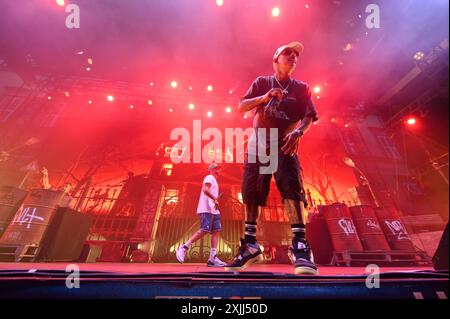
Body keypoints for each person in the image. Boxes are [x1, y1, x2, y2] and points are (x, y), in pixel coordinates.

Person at [225, 42, 319, 275]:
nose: (294, 57)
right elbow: (241, 106)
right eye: (288, 54)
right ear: (276, 59)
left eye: (296, 55)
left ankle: (299, 246)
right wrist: (264, 98)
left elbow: (309, 116)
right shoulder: (262, 83)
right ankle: (250, 246)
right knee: (251, 190)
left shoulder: (302, 88)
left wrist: (298, 132)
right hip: (258, 144)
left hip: (285, 143)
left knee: (292, 188)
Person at [176, 163, 226, 267]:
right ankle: (184, 247)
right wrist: (215, 198)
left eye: (219, 169)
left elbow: (210, 193)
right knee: (204, 230)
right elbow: (205, 189)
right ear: (211, 170)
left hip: (214, 210)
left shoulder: (214, 180)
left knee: (216, 231)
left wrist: (215, 201)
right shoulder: (209, 177)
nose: (218, 171)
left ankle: (213, 257)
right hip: (206, 209)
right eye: (216, 169)